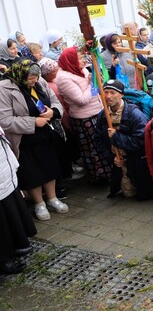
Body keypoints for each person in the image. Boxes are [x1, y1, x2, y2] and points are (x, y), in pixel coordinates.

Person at [0, 59, 68, 220]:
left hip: (46, 133)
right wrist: (33, 122)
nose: (34, 80)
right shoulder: (5, 88)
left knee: (50, 166)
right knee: (33, 172)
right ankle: (39, 204)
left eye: (36, 77)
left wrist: (53, 112)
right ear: (21, 74)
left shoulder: (39, 81)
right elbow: (5, 120)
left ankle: (52, 198)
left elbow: (55, 102)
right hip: (25, 139)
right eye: (31, 78)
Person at [55, 47, 113, 184]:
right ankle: (99, 177)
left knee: (103, 145)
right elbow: (81, 100)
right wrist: (91, 83)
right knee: (93, 149)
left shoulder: (81, 70)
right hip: (85, 118)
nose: (83, 61)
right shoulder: (64, 79)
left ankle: (110, 173)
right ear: (71, 61)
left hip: (97, 111)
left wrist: (98, 81)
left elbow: (94, 89)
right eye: (79, 58)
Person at [96, 80, 153, 199]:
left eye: (112, 92)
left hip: (136, 161)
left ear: (121, 94)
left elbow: (142, 141)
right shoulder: (103, 115)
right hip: (117, 162)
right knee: (127, 193)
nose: (108, 96)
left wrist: (117, 137)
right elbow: (98, 140)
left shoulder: (134, 114)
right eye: (106, 92)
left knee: (144, 195)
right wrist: (112, 158)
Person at [0, 126, 36, 274]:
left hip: (5, 175)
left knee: (10, 215)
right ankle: (3, 260)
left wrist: (13, 167)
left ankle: (14, 247)